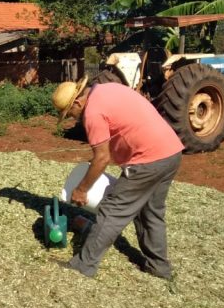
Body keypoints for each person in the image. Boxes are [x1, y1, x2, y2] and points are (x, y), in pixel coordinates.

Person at [51, 76, 184, 279]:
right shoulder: (108, 89)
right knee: (150, 212)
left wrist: (82, 189)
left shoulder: (92, 112)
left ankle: (83, 266)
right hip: (171, 152)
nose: (73, 118)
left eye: (70, 113)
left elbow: (102, 158)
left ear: (78, 102)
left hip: (147, 160)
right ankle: (159, 267)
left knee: (112, 211)